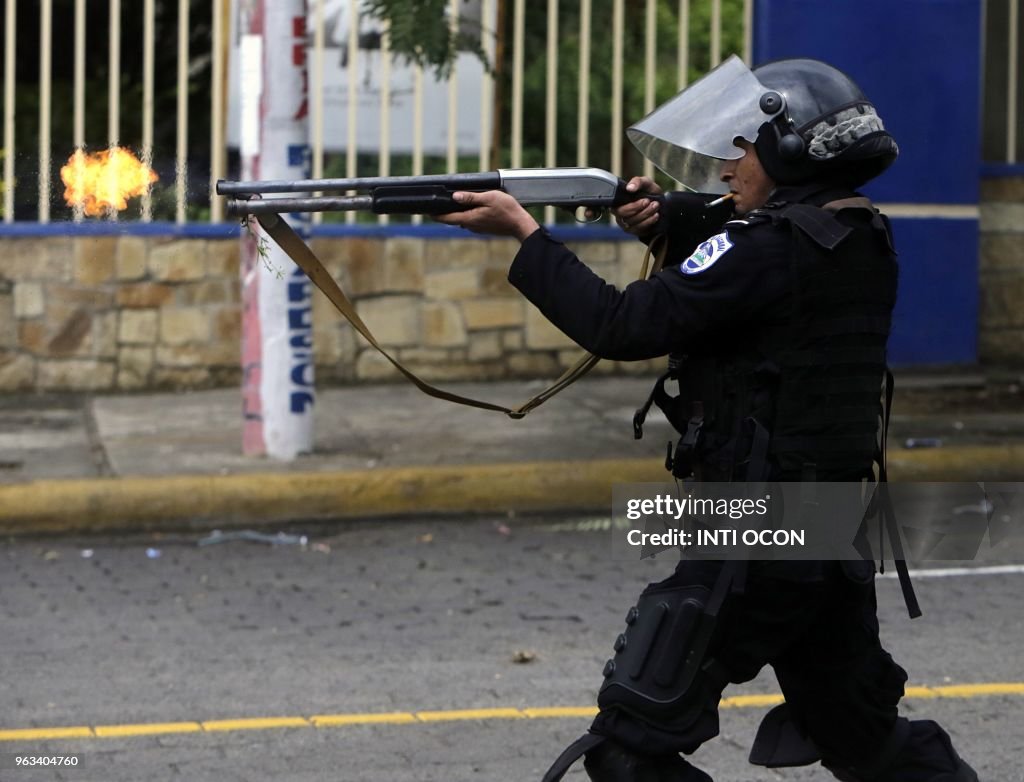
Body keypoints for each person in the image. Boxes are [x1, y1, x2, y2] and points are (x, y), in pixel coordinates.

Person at [436, 56, 978, 782]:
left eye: (744, 149)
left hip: (758, 534)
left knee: (628, 751)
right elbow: (739, 265)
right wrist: (662, 218)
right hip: (829, 526)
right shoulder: (856, 236)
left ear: (789, 151)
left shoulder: (765, 249)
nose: (728, 168)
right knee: (867, 746)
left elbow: (623, 324)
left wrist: (526, 237)